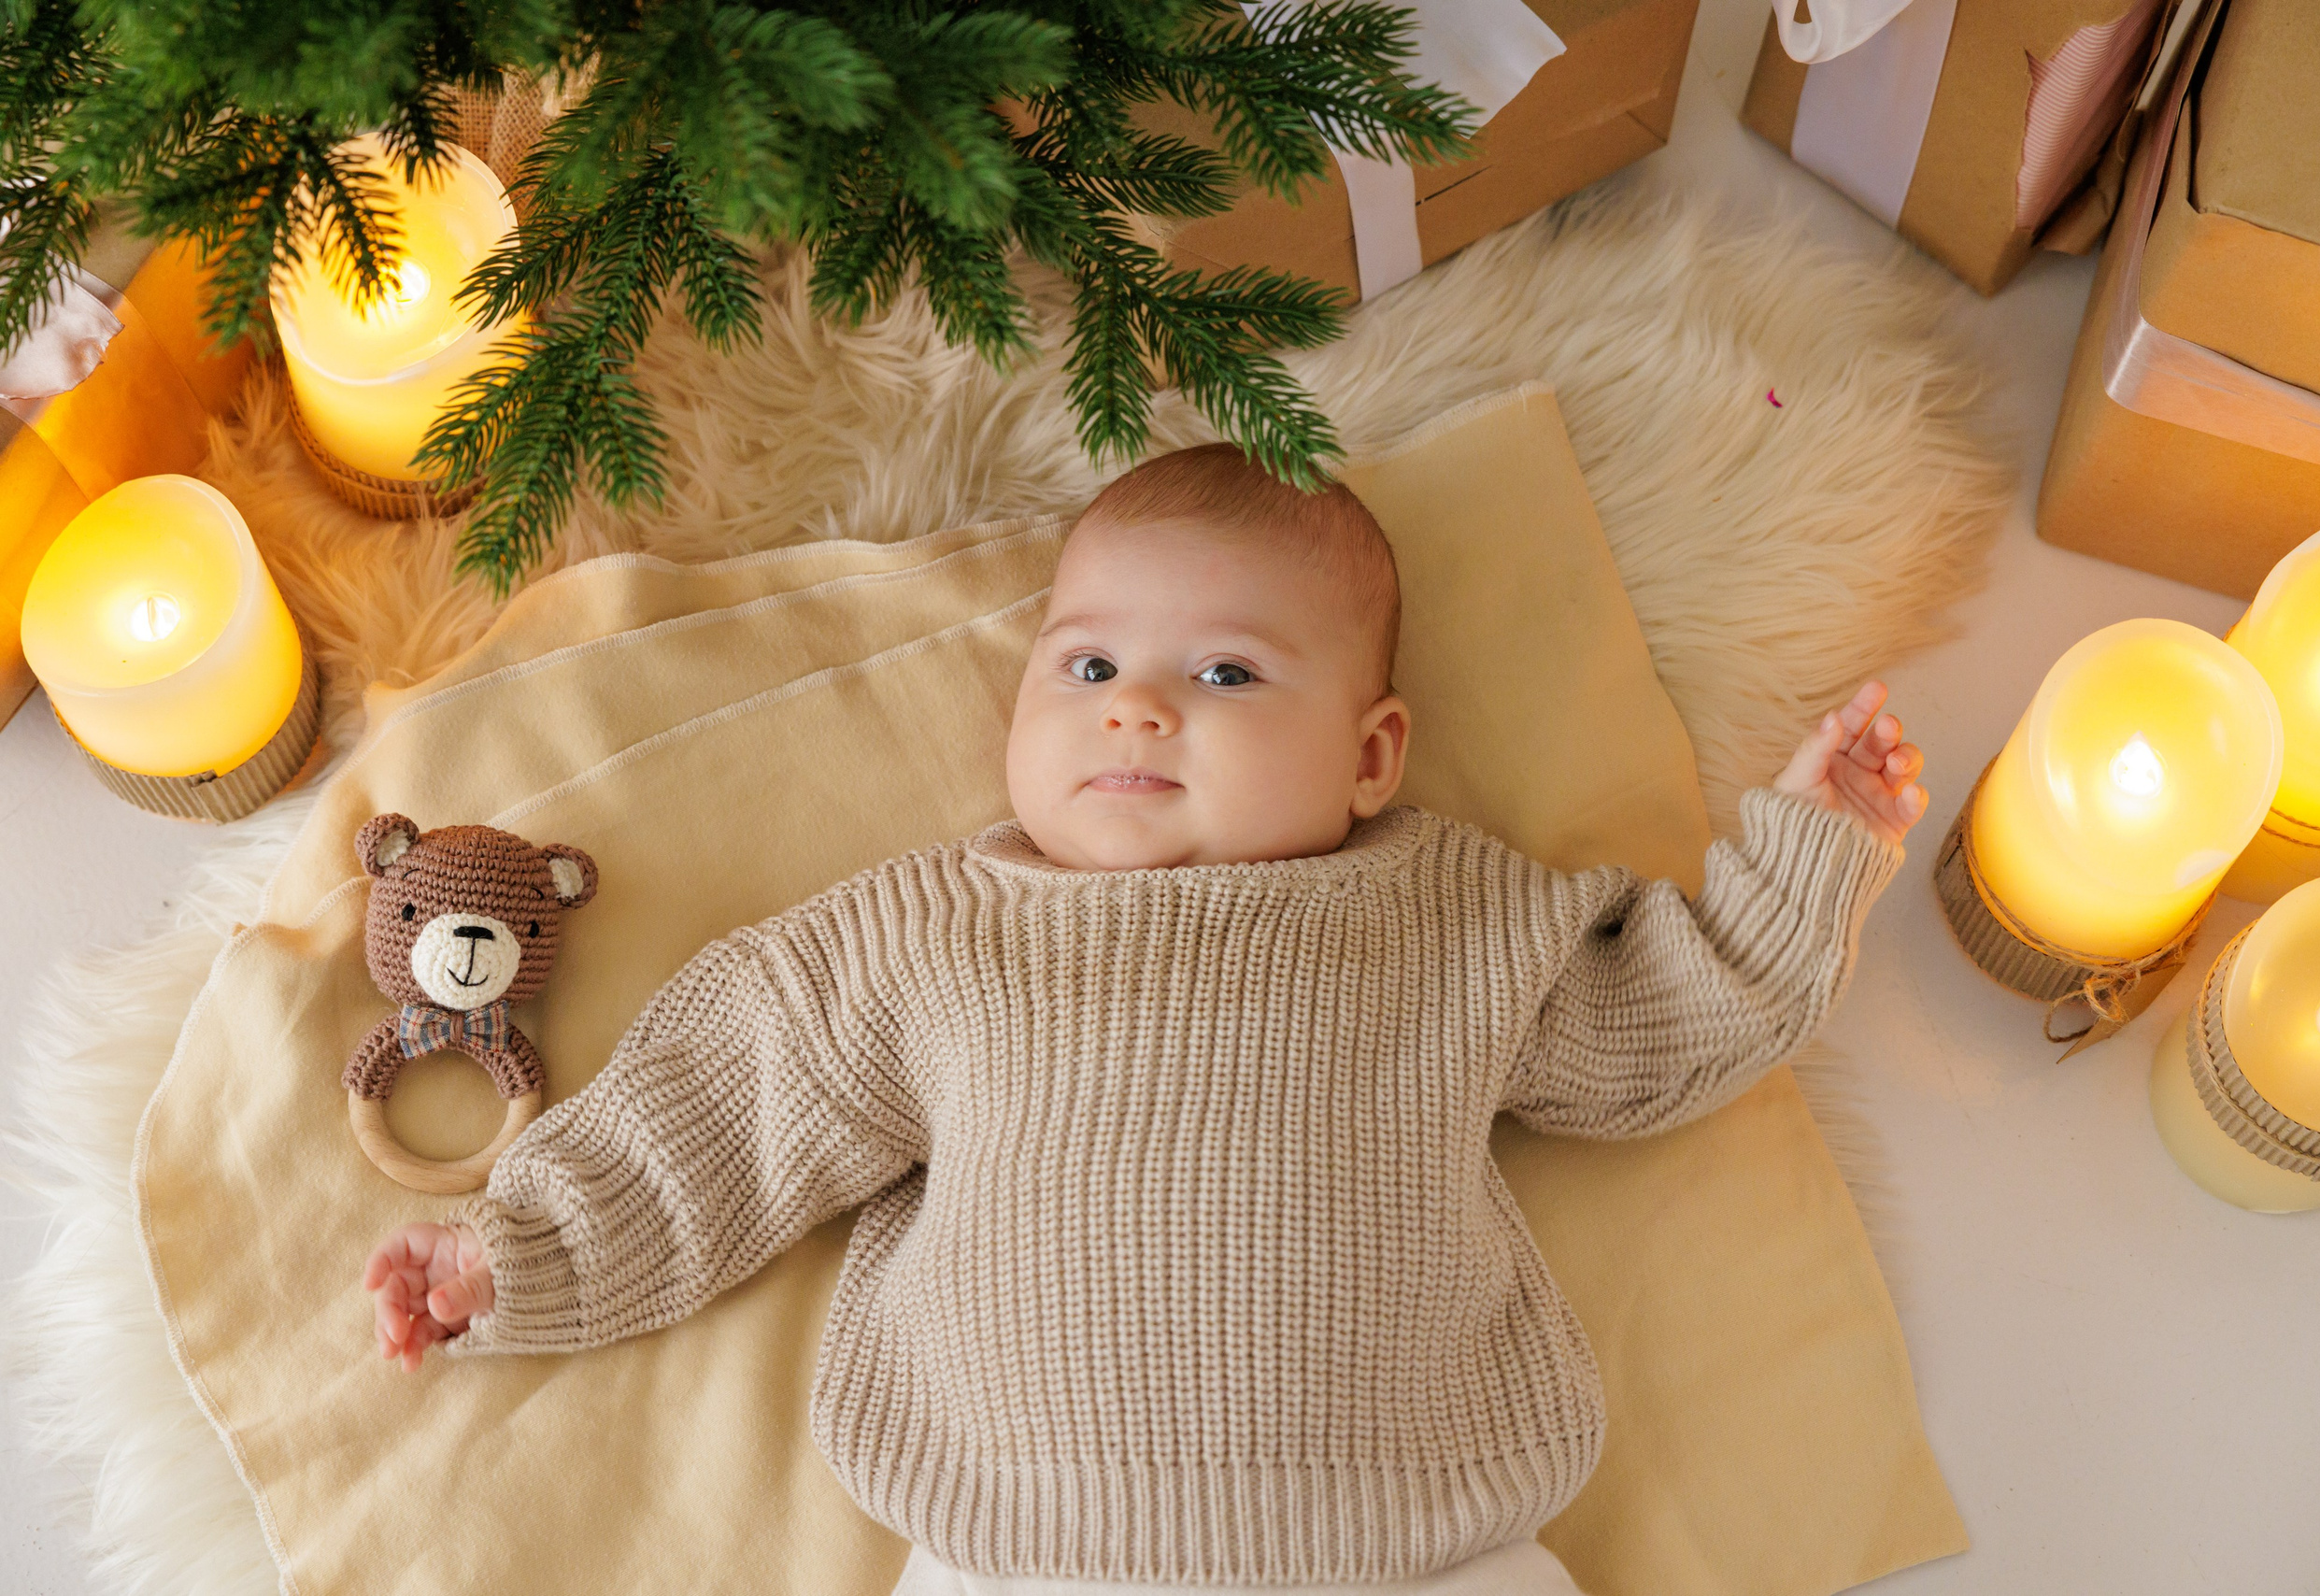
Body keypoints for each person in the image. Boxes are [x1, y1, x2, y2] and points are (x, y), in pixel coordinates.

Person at [362, 444, 1929, 1595]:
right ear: (1023, 707)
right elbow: (731, 1107)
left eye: (1228, 672)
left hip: (1414, 1540)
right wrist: (515, 1255)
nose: (1139, 705)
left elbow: (1659, 1018)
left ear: (1373, 755)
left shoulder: (1446, 917)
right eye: (1092, 662)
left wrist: (1811, 848)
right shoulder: (933, 934)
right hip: (1026, 1543)